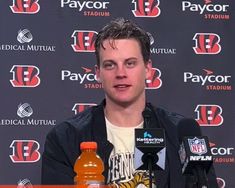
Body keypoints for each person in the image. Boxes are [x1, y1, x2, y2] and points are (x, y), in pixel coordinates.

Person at [41, 18, 218, 187]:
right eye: (110, 65)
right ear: (98, 73)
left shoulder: (179, 132)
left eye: (130, 63)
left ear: (148, 70)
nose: (121, 73)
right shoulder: (64, 138)